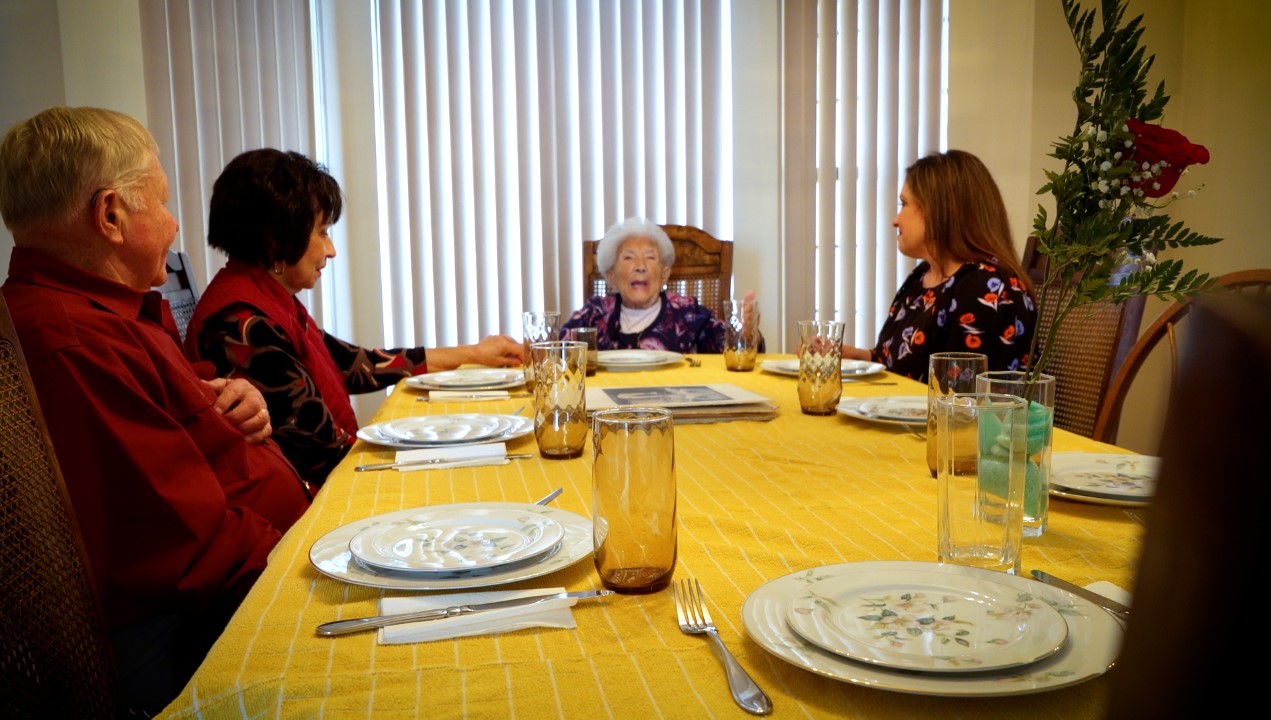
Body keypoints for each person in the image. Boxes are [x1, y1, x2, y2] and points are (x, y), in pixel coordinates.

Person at [0, 106, 312, 715]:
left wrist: (231, 393)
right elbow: (190, 549)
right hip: (190, 628)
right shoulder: (74, 342)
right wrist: (316, 556)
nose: (173, 227)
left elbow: (181, 401)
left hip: (223, 586)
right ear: (111, 214)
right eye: (163, 202)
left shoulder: (105, 313)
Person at [184, 148, 524, 488]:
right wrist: (455, 448)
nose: (330, 250)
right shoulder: (241, 325)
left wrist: (474, 355)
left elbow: (354, 364)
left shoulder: (266, 300)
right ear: (276, 242)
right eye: (322, 232)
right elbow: (323, 450)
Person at [839, 150, 1037, 382]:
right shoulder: (922, 276)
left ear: (938, 210)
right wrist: (862, 358)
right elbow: (906, 367)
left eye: (904, 204)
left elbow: (962, 402)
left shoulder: (986, 289)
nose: (895, 220)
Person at [561, 216, 755, 353]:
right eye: (628, 257)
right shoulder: (593, 315)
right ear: (611, 275)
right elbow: (556, 355)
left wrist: (745, 332)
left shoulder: (689, 314)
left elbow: (731, 348)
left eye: (650, 257)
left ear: (664, 274)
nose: (640, 267)